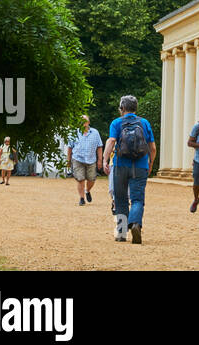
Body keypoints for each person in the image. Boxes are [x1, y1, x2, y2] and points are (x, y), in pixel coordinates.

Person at [103, 94, 157, 245]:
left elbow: (111, 141)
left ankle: (121, 233)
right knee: (137, 199)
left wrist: (105, 159)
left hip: (121, 165)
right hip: (140, 166)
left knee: (120, 199)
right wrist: (151, 163)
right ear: (135, 108)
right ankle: (135, 224)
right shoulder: (144, 123)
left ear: (122, 108)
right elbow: (152, 147)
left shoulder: (116, 123)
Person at [66, 115, 104, 206]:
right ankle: (82, 198)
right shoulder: (73, 133)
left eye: (85, 121)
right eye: (81, 121)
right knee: (80, 179)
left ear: (88, 122)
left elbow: (99, 147)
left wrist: (100, 160)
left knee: (92, 179)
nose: (83, 123)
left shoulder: (95, 132)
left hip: (91, 160)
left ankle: (87, 191)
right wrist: (68, 160)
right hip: (78, 159)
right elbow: (70, 147)